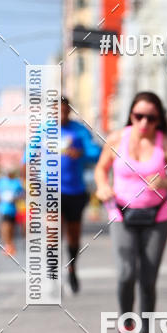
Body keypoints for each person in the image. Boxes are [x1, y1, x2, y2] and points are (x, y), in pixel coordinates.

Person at [94, 91, 167, 333]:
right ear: (131, 115)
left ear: (159, 119)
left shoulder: (165, 144)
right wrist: (102, 186)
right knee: (125, 275)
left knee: (147, 280)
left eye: (151, 117)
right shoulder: (116, 138)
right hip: (122, 215)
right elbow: (101, 168)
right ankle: (126, 329)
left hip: (155, 218)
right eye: (139, 116)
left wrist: (165, 182)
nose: (144, 123)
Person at [59, 96, 102, 293]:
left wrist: (81, 153)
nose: (61, 115)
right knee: (52, 232)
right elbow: (29, 155)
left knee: (73, 235)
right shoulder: (43, 131)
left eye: (64, 111)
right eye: (56, 111)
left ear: (69, 111)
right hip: (51, 190)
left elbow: (96, 152)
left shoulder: (79, 130)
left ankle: (72, 267)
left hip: (75, 191)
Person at [0, 166, 24, 256]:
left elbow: (22, 194)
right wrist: (1, 198)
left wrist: (15, 198)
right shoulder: (1, 182)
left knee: (11, 228)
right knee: (5, 227)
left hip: (14, 209)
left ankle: (11, 245)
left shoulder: (17, 182)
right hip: (3, 208)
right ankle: (7, 245)